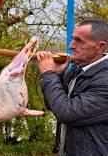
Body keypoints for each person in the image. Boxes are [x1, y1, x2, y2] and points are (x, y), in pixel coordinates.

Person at [36, 19, 108, 155]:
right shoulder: (75, 70)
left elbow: (66, 113)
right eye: (72, 39)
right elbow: (53, 105)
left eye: (79, 41)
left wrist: (48, 74)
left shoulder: (105, 81)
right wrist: (57, 75)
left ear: (101, 47)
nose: (71, 46)